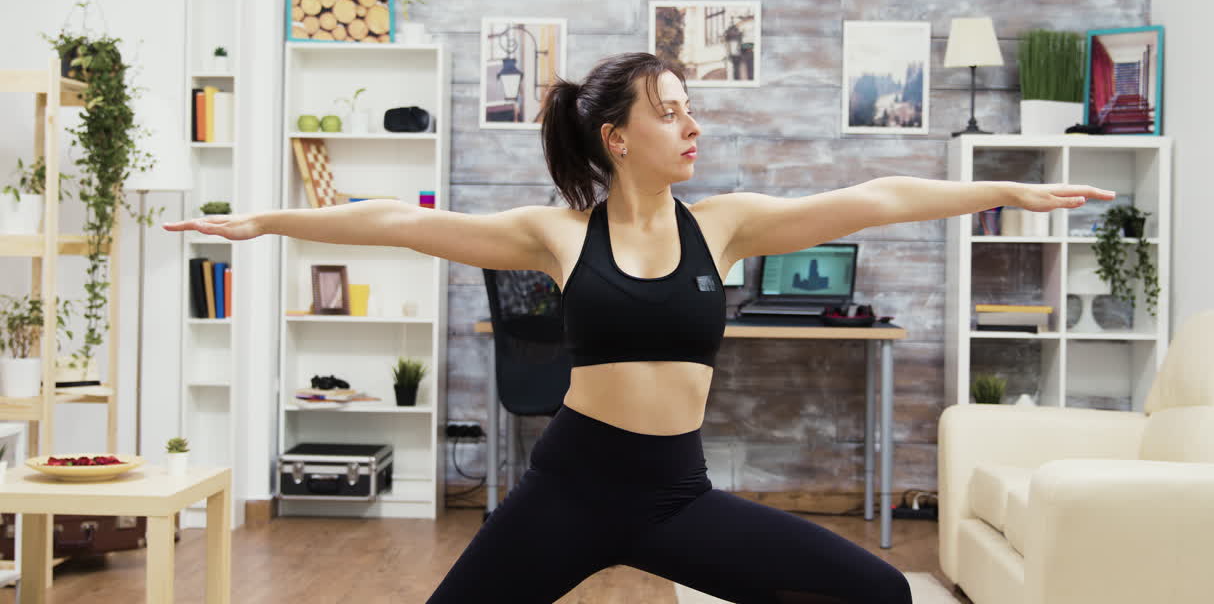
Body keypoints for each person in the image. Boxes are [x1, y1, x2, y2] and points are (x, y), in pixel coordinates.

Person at [163, 52, 1114, 603]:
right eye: (670, 114)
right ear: (618, 138)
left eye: (692, 110)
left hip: (676, 493)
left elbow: (872, 197)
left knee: (877, 595)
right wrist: (265, 221)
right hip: (571, 486)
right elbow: (400, 222)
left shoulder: (728, 224)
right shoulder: (556, 232)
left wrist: (1002, 186)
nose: (691, 127)